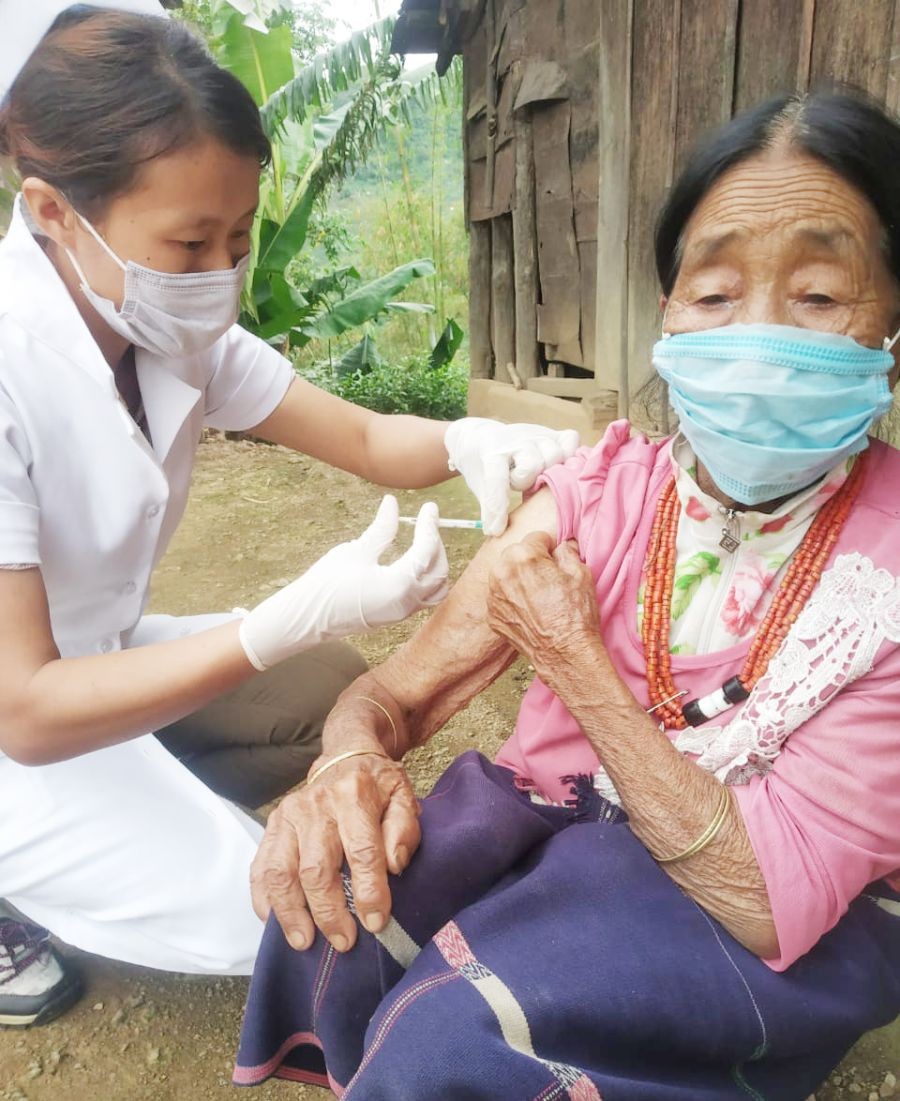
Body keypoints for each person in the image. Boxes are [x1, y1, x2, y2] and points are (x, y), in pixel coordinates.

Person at [236, 90, 900, 1100]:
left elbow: (767, 900)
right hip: (560, 832)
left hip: (753, 895)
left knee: (460, 1039)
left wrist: (579, 664)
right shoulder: (601, 494)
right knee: (332, 905)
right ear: (668, 316)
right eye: (715, 294)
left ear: (891, 318)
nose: (760, 337)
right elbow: (395, 699)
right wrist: (343, 765)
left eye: (817, 295)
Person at [0, 1, 580, 1029]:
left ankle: (135, 793)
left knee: (324, 694)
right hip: (20, 718)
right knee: (274, 921)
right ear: (52, 210)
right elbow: (29, 710)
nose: (220, 274)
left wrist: (464, 443)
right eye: (187, 243)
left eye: (238, 234)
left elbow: (360, 439)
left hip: (89, 657)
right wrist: (281, 616)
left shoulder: (164, 327)